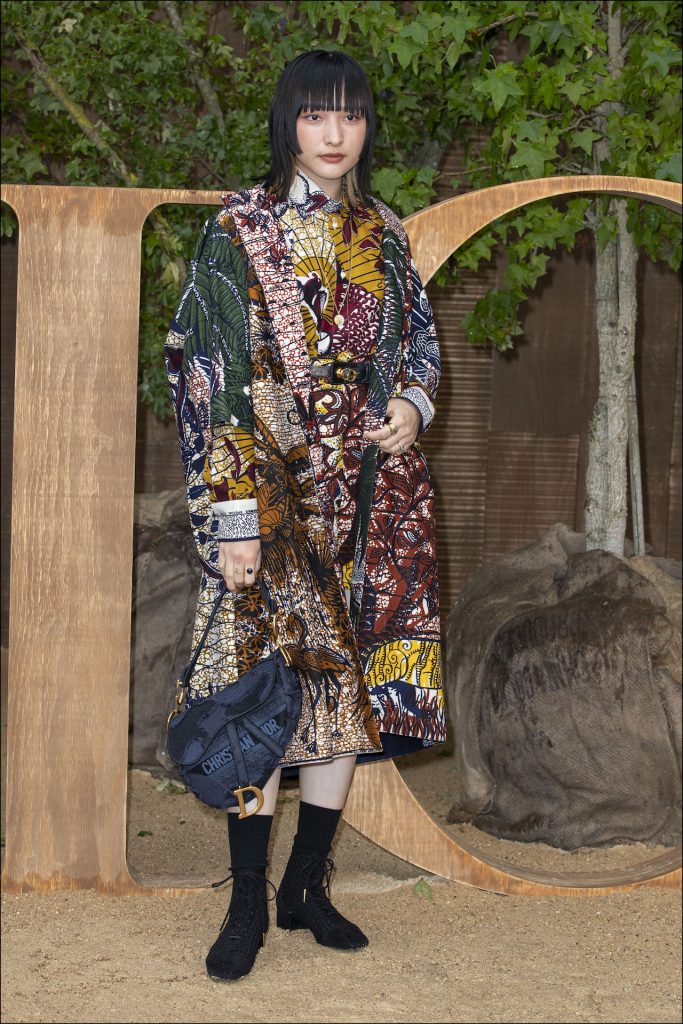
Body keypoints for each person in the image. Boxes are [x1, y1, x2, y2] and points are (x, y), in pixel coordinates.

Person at [165, 48, 445, 981]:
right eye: (316, 114)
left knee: (339, 696)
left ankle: (305, 886)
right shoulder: (237, 232)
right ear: (287, 123)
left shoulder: (383, 232)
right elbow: (210, 380)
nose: (334, 134)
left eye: (350, 116)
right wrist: (234, 517)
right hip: (269, 500)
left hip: (365, 503)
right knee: (253, 693)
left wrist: (410, 405)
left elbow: (419, 347)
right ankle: (246, 898)